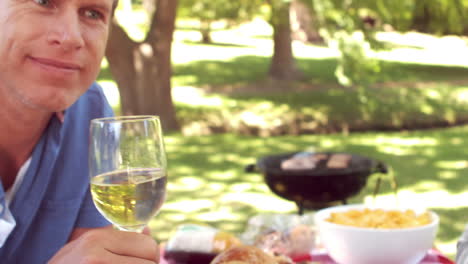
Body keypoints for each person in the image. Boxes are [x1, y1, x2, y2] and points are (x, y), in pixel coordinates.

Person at [0, 0, 160, 263]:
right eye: (43, 1)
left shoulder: (89, 110)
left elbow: (96, 249)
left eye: (92, 13)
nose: (71, 37)